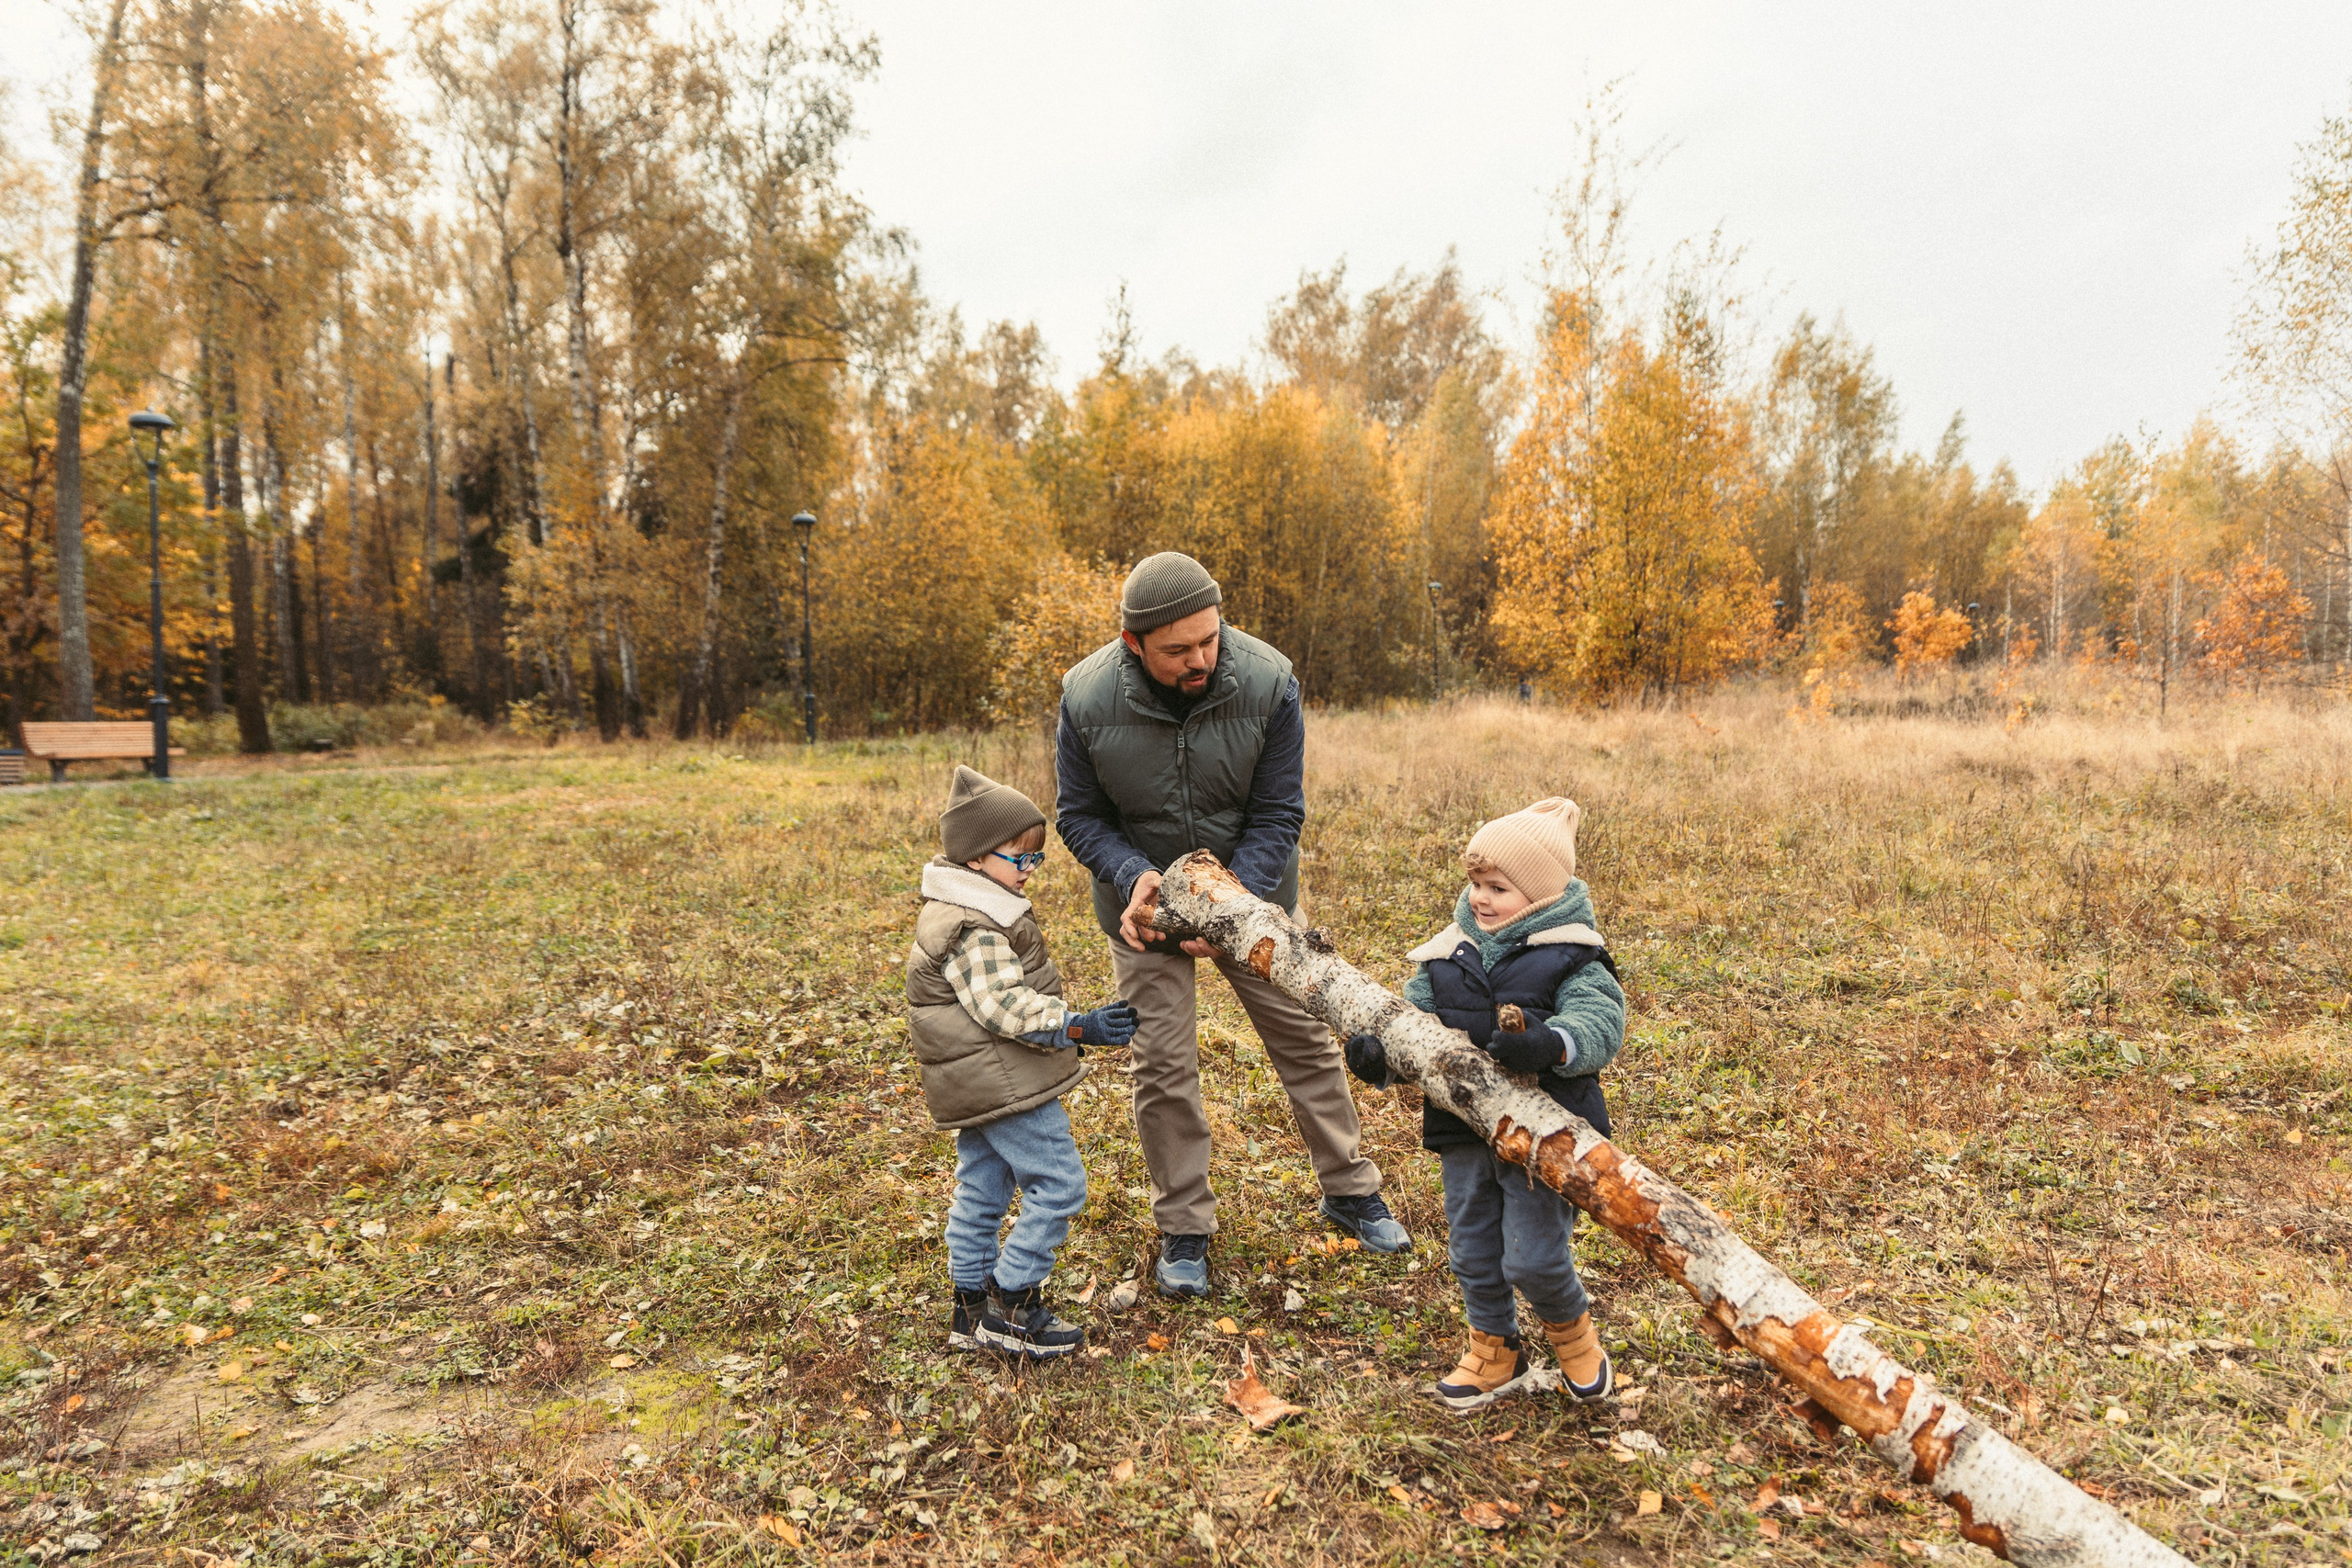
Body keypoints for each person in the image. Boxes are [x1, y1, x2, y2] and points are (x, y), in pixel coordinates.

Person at [1055, 551, 1411, 1301]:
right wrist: (1133, 875)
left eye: (1210, 639)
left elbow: (1279, 811)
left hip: (1254, 896)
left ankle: (1350, 1189)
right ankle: (1184, 1225)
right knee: (1162, 1064)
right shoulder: (1084, 697)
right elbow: (1080, 815)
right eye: (1177, 649)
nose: (1200, 659)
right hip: (1145, 908)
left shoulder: (1270, 680)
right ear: (1133, 644)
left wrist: (1229, 907)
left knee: (1306, 1039)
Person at [1343, 796, 1626, 1410]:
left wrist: (1550, 1042)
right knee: (1472, 1248)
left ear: (1541, 896)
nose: (1481, 898)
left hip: (1545, 1137)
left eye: (1499, 887)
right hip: (1464, 1128)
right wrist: (1381, 1056)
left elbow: (1602, 1022)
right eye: (1476, 883)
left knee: (1533, 1256)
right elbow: (1412, 1026)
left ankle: (1575, 1338)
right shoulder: (1446, 955)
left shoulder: (1573, 953)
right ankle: (1496, 1350)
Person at [903, 764, 1138, 1359]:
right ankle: (1012, 1303)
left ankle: (970, 1309)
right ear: (976, 857)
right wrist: (1076, 1025)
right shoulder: (974, 926)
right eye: (1020, 857)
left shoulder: (964, 906)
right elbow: (1003, 1005)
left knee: (983, 1187)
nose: (1030, 868)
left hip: (980, 1080)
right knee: (1059, 1184)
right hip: (1005, 1081)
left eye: (1037, 856)